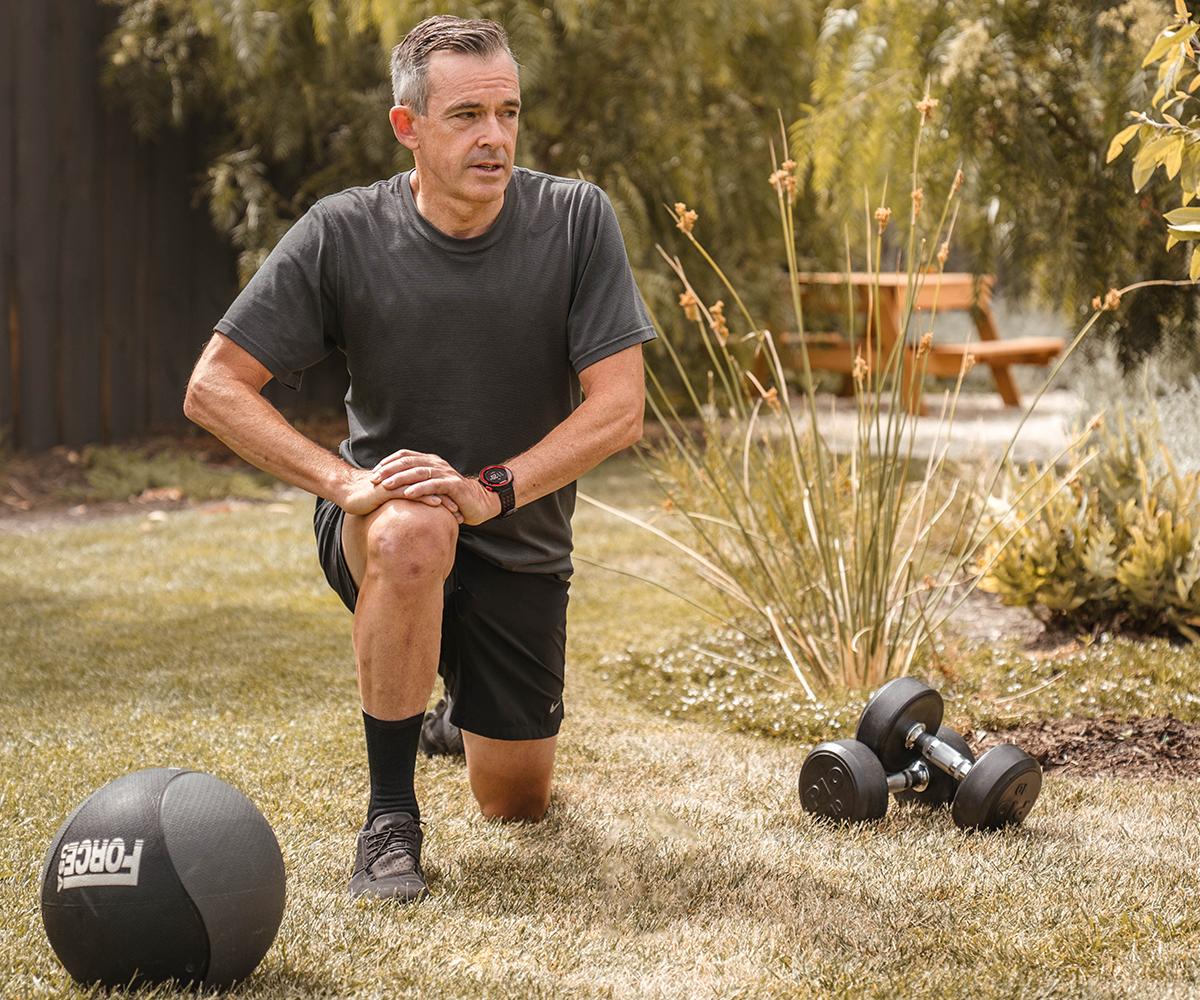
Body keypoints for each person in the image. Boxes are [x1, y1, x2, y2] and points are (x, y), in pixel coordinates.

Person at [183, 14, 654, 902]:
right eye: (467, 115)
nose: (496, 137)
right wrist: (345, 484)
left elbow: (620, 409)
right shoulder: (342, 231)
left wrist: (490, 491)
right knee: (410, 535)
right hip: (385, 522)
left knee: (515, 805)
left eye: (508, 112)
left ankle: (449, 709)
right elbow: (213, 387)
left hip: (516, 528)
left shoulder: (576, 219)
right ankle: (390, 818)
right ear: (409, 126)